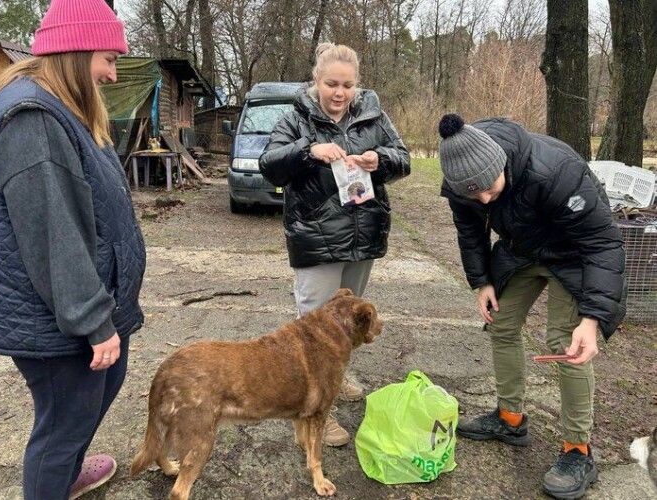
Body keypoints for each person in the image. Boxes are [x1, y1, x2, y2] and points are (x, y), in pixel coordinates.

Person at [0, 0, 146, 498]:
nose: (113, 74)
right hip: (53, 315)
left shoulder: (65, 107)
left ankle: (67, 473)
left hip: (86, 303)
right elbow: (53, 234)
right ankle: (55, 478)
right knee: (61, 426)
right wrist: (93, 320)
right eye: (108, 59)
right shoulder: (33, 118)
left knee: (96, 397)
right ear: (74, 52)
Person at [437, 113, 626, 499]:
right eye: (474, 195)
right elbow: (470, 230)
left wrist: (591, 319)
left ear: (501, 164)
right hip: (522, 249)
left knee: (565, 343)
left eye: (489, 188)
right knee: (500, 324)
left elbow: (602, 244)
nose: (484, 199)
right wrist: (482, 281)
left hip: (573, 253)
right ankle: (510, 419)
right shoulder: (463, 178)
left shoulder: (556, 172)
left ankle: (578, 449)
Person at [259, 43, 410, 447]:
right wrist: (309, 151)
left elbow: (404, 158)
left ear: (356, 85)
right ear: (316, 82)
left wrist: (381, 160)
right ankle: (313, 414)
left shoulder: (373, 115)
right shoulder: (296, 118)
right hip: (315, 236)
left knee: (347, 320)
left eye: (346, 85)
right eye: (331, 84)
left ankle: (336, 376)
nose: (339, 93)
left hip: (363, 236)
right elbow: (268, 163)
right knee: (314, 327)